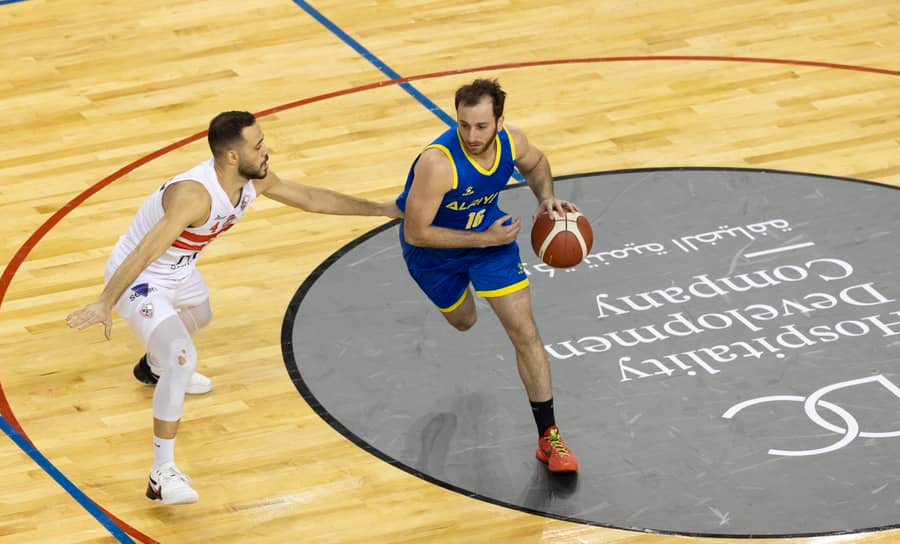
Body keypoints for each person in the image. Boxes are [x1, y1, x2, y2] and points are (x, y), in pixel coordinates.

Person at [66, 111, 402, 504]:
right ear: (231, 157)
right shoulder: (193, 196)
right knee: (181, 355)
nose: (266, 151)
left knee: (201, 314)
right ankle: (162, 474)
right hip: (142, 278)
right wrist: (107, 300)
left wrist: (381, 209)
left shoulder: (251, 183)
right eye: (258, 146)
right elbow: (146, 251)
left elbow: (310, 198)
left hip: (180, 271)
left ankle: (153, 368)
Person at [396, 79, 580, 473]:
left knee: (525, 332)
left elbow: (537, 163)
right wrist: (481, 238)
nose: (471, 135)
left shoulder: (512, 141)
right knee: (464, 321)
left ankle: (550, 438)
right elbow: (416, 231)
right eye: (463, 125)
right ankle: (466, 290)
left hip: (490, 241)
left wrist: (545, 196)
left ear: (499, 121)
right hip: (433, 253)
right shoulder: (438, 163)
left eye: (481, 126)